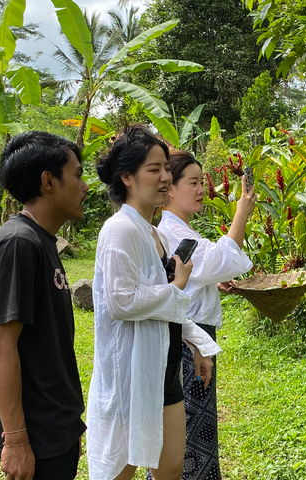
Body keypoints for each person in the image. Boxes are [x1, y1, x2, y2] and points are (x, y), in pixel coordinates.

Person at [87, 125, 222, 480]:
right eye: (154, 169)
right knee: (120, 469)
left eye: (165, 168)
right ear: (127, 176)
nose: (165, 177)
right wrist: (177, 285)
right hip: (133, 373)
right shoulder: (120, 230)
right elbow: (121, 301)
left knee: (171, 467)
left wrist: (197, 343)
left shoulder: (153, 232)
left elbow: (165, 303)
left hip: (163, 368)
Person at [0, 131, 89, 480]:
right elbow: (0, 345)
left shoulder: (41, 240)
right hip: (35, 435)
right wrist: (16, 441)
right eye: (77, 174)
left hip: (54, 429)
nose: (84, 186)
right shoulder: (19, 243)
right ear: (48, 181)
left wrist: (68, 429)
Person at [155, 150, 256, 480]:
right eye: (193, 182)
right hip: (189, 339)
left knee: (193, 426)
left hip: (194, 335)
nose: (201, 190)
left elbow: (200, 273)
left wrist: (212, 283)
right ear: (170, 188)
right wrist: (242, 213)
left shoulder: (177, 229)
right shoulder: (174, 232)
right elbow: (218, 260)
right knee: (191, 429)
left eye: (202, 182)